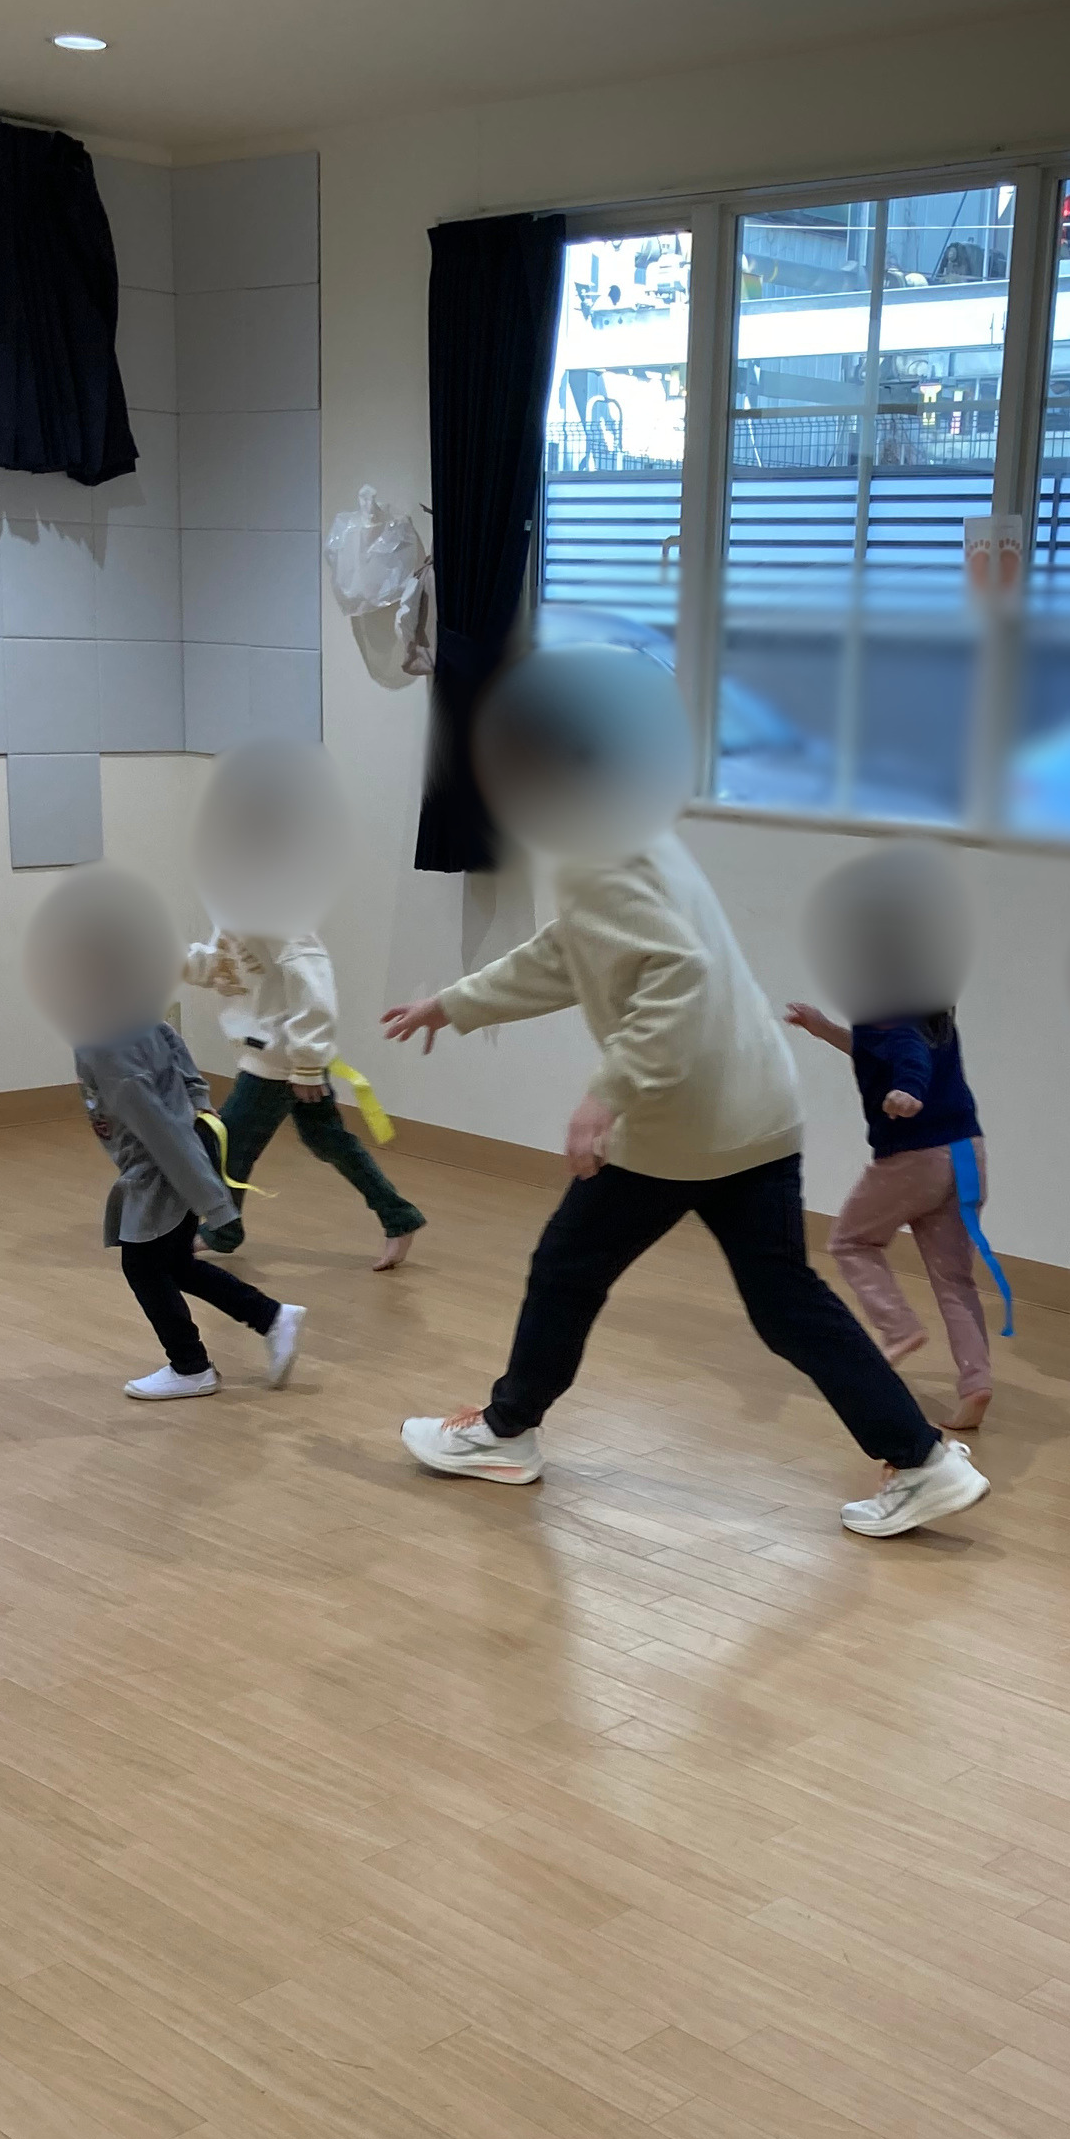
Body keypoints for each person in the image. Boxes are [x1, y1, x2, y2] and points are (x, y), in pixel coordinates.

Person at [378, 655, 987, 1540]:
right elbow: (576, 949)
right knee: (782, 1302)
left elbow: (675, 975)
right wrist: (458, 1002)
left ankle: (507, 1433)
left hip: (685, 1121)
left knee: (567, 1268)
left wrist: (605, 1095)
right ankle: (922, 1459)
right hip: (752, 1111)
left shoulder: (595, 846)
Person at [785, 994, 993, 1433]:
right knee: (955, 1280)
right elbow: (882, 1048)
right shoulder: (934, 1014)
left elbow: (906, 1050)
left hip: (918, 1157)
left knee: (851, 1241)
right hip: (967, 1154)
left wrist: (910, 1089)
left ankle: (899, 1328)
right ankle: (976, 1384)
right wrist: (824, 1029)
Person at [76, 1017, 306, 1403]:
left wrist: (211, 1198)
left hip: (161, 1168)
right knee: (175, 1264)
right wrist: (199, 1100)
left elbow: (160, 1129)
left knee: (143, 1267)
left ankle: (190, 1366)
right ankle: (271, 1317)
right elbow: (171, 1043)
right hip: (179, 1150)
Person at [183, 925, 426, 1270]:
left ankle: (224, 1230)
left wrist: (308, 1065)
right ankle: (399, 1216)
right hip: (280, 1056)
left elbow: (314, 990)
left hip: (279, 1060)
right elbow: (221, 965)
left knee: (227, 1145)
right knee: (326, 1139)